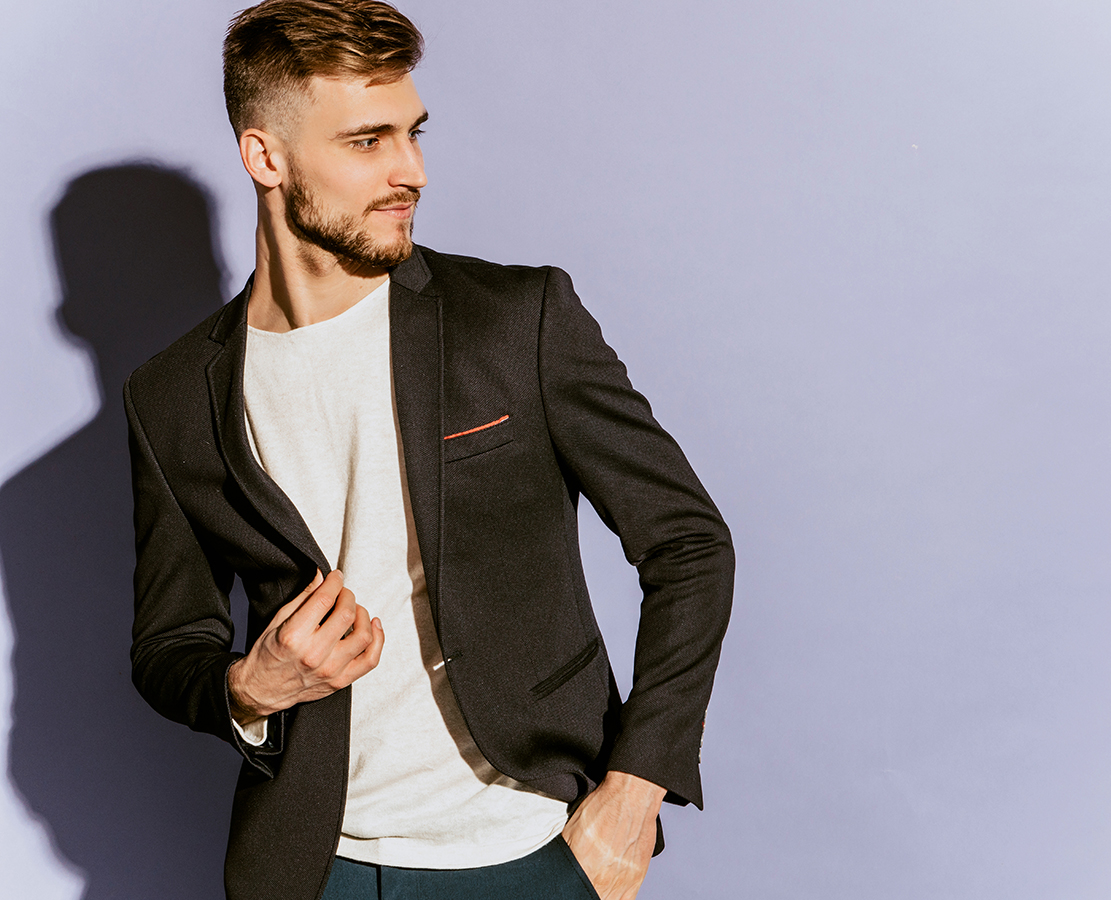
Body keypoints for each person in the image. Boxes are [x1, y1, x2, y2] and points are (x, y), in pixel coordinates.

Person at [124, 1, 734, 898]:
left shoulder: (515, 321)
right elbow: (169, 642)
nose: (411, 169)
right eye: (367, 142)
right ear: (265, 157)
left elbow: (689, 545)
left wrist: (634, 793)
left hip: (525, 851)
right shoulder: (172, 395)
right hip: (306, 863)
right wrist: (250, 687)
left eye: (413, 133)